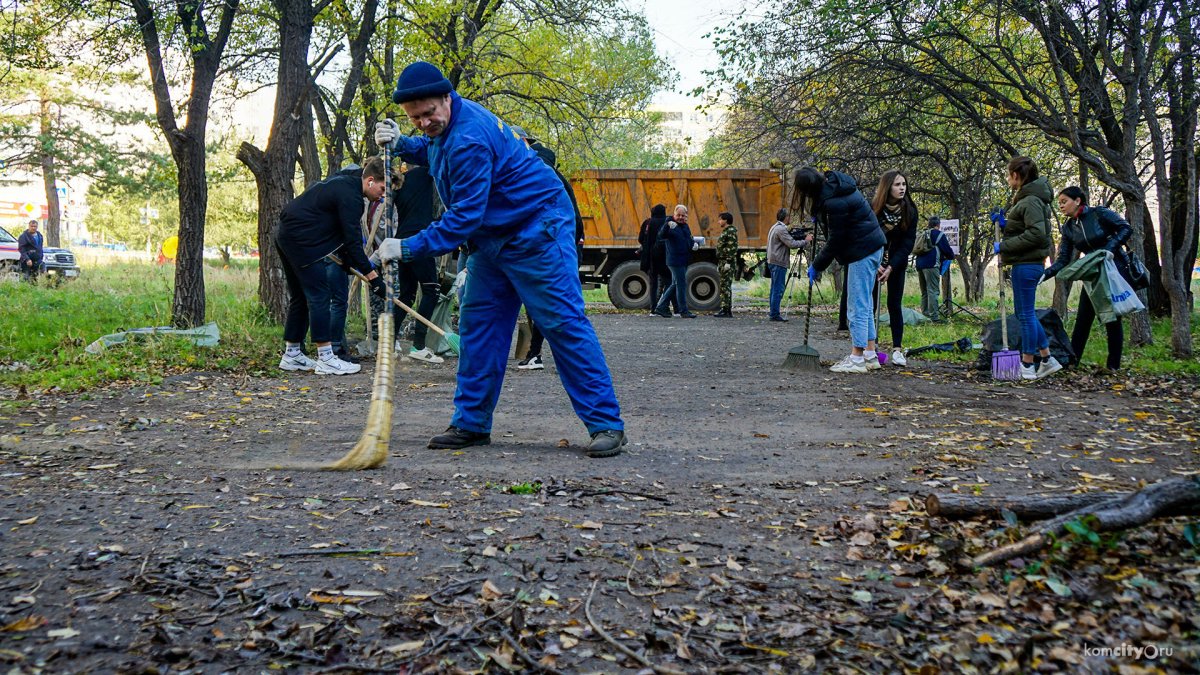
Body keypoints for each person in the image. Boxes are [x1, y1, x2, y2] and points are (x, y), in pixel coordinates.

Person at [373, 61, 626, 457]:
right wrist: (402, 142)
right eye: (414, 118)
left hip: (536, 230)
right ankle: (471, 424)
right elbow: (433, 148)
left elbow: (462, 220)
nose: (424, 123)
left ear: (447, 98)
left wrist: (405, 247)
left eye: (428, 113)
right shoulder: (448, 126)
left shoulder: (470, 138)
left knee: (561, 323)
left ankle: (606, 423)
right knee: (480, 328)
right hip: (493, 238)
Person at [275, 157, 387, 376]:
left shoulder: (347, 183)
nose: (382, 195)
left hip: (286, 235)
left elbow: (343, 237)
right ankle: (326, 357)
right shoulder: (352, 196)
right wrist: (374, 278)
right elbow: (353, 241)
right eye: (382, 189)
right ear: (371, 180)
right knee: (319, 296)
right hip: (301, 240)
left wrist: (346, 261)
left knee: (300, 296)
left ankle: (292, 353)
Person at [798, 168, 886, 373]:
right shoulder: (836, 187)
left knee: (857, 305)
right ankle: (870, 355)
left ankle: (856, 358)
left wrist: (817, 265)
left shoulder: (834, 202)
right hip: (872, 247)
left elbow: (836, 240)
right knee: (865, 302)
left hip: (862, 251)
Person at [1042, 186, 1131, 371]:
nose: (1061, 206)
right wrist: (1044, 274)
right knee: (1083, 318)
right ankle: (1072, 363)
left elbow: (1125, 228)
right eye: (1059, 203)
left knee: (1112, 319)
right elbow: (1063, 260)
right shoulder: (1068, 228)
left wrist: (1109, 248)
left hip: (1113, 270)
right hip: (1092, 275)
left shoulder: (1099, 213)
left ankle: (1113, 367)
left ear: (1077, 201)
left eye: (1064, 202)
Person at [995, 155, 1061, 380]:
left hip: (1027, 264)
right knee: (1026, 314)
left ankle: (1027, 364)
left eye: (1008, 175)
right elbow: (1025, 227)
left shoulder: (1031, 200)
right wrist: (1005, 224)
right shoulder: (1029, 199)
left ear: (1016, 175)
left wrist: (1003, 246)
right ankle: (1047, 359)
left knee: (1025, 315)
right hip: (1026, 263)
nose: (1008, 179)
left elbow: (1036, 234)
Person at [389, 163, 445, 364]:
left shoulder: (400, 184)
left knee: (406, 295)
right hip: (419, 240)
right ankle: (419, 346)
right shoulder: (424, 172)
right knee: (431, 290)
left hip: (402, 241)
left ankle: (388, 345)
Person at [871, 170, 917, 365]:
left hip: (897, 263)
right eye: (897, 184)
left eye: (904, 184)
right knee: (871, 305)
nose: (902, 188)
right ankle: (870, 347)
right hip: (874, 262)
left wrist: (891, 267)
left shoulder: (910, 210)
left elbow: (908, 243)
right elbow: (868, 235)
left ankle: (897, 350)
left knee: (894, 304)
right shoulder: (874, 209)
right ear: (887, 187)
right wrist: (876, 264)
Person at [766, 208, 812, 322]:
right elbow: (791, 243)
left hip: (773, 261)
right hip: (778, 262)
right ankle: (774, 314)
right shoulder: (781, 229)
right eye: (788, 216)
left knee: (774, 288)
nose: (789, 218)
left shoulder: (775, 227)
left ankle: (773, 312)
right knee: (778, 289)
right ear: (785, 217)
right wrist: (806, 241)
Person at [652, 204, 697, 318]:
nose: (680, 217)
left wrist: (693, 244)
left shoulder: (684, 226)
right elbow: (661, 236)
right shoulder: (670, 224)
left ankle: (660, 307)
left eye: (683, 215)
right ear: (674, 214)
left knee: (674, 284)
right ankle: (683, 311)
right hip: (675, 260)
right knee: (681, 285)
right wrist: (667, 225)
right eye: (678, 215)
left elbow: (688, 239)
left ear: (686, 216)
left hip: (684, 259)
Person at [914, 216, 956, 322]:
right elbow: (948, 251)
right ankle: (934, 317)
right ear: (938, 225)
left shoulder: (923, 233)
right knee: (933, 291)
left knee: (924, 291)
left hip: (919, 265)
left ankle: (925, 315)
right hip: (932, 265)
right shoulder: (938, 234)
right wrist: (951, 256)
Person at [638, 204, 671, 314]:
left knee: (653, 284)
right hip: (665, 256)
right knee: (669, 282)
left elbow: (640, 239)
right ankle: (670, 307)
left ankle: (653, 308)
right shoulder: (667, 222)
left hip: (650, 257)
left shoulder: (647, 222)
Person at [714, 211, 739, 317]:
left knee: (725, 286)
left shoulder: (730, 231)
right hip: (723, 262)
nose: (718, 222)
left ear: (726, 220)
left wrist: (728, 262)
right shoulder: (727, 231)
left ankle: (725, 310)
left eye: (720, 219)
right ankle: (726, 309)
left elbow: (732, 248)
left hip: (727, 262)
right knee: (724, 286)